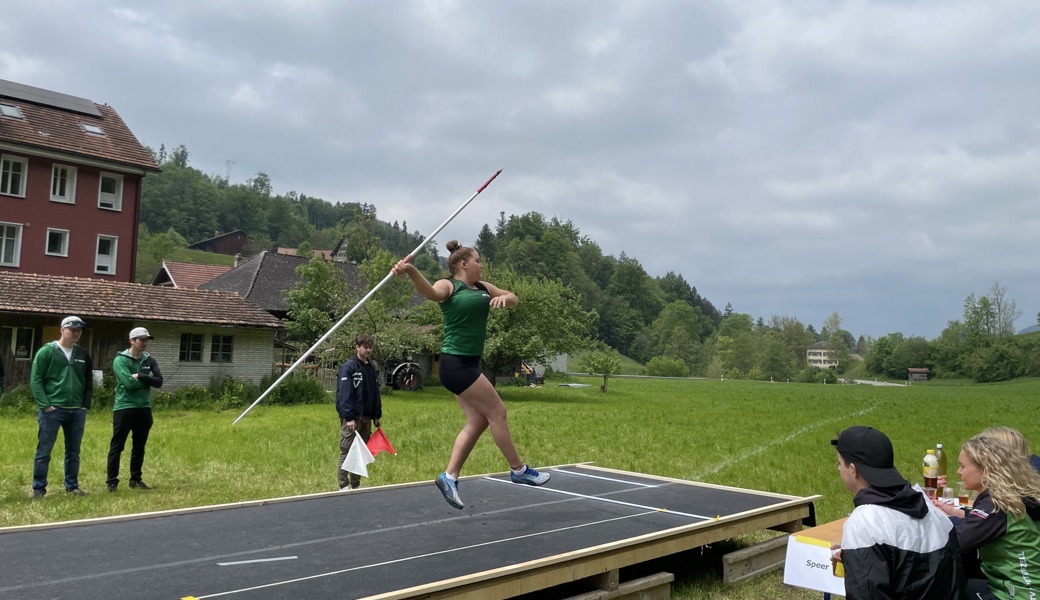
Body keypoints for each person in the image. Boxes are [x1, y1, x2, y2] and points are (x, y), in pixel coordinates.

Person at [392, 240, 549, 510]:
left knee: (479, 421)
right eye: (478, 261)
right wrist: (411, 271)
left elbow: (514, 297)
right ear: (464, 264)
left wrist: (505, 298)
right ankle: (519, 469)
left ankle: (449, 476)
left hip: (470, 364)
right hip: (455, 365)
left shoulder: (484, 288)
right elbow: (429, 292)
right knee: (498, 412)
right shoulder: (449, 286)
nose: (482, 265)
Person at [830, 426, 965, 599]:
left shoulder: (864, 522)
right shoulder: (930, 509)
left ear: (853, 470)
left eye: (839, 463)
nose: (838, 469)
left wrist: (860, 554)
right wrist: (855, 556)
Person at [933, 434, 1040, 600]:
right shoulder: (1008, 496)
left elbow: (955, 543)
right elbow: (975, 525)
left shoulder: (996, 505)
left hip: (1018, 593)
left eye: (962, 466)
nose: (958, 471)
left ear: (985, 469)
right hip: (1010, 585)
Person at [30, 316, 94, 498]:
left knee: (73, 451)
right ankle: (39, 488)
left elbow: (88, 381)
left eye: (79, 330)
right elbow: (36, 380)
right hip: (53, 410)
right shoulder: (47, 352)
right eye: (72, 329)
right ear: (62, 330)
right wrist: (45, 405)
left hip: (76, 410)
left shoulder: (82, 354)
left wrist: (85, 405)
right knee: (44, 451)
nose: (76, 333)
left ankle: (72, 486)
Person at [107, 327, 164, 492]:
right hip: (124, 407)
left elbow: (159, 382)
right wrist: (149, 381)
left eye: (147, 340)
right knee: (117, 446)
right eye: (142, 340)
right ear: (132, 341)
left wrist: (141, 376)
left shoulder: (149, 360)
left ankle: (136, 479)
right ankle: (112, 482)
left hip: (144, 408)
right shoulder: (121, 360)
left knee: (139, 446)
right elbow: (129, 384)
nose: (145, 343)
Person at [336, 333, 382, 490]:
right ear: (357, 347)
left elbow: (375, 392)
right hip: (352, 418)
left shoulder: (371, 368)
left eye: (370, 347)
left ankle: (356, 484)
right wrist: (348, 417)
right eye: (365, 347)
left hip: (367, 418)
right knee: (347, 450)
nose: (368, 350)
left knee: (360, 452)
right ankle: (343, 485)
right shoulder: (349, 367)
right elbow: (344, 394)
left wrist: (377, 415)